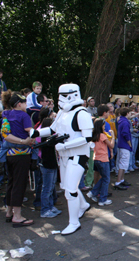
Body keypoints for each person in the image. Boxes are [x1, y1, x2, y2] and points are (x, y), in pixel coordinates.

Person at [30, 84, 93, 235]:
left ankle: (74, 222)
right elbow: (52, 129)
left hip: (78, 155)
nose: (61, 100)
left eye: (64, 96)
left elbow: (88, 138)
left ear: (73, 95)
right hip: (64, 155)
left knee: (70, 190)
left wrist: (65, 146)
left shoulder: (82, 113)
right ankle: (83, 205)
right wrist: (36, 133)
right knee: (68, 186)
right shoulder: (61, 114)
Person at [2, 91, 35, 227]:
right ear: (19, 104)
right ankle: (17, 216)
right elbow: (31, 133)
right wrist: (25, 141)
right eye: (25, 102)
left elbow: (5, 134)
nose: (27, 105)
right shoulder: (24, 115)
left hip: (9, 154)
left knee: (11, 182)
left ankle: (9, 212)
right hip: (22, 155)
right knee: (19, 184)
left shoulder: (6, 114)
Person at [86, 118, 115, 206]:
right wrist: (113, 136)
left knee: (104, 178)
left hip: (96, 159)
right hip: (103, 159)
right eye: (103, 126)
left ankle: (96, 194)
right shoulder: (102, 136)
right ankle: (101, 198)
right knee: (106, 179)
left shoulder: (94, 135)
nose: (104, 127)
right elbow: (112, 145)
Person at [39, 118, 62, 218]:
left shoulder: (51, 137)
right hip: (47, 165)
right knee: (47, 189)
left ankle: (50, 206)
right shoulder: (46, 138)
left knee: (51, 187)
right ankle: (45, 210)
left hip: (53, 165)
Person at [115, 108, 133, 190]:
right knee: (123, 164)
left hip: (121, 145)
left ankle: (121, 179)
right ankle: (118, 181)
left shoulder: (121, 121)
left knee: (123, 163)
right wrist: (129, 143)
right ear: (127, 113)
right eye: (130, 113)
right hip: (125, 145)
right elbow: (125, 133)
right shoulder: (125, 122)